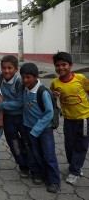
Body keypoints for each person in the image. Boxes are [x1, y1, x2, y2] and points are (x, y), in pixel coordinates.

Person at [20, 62, 60, 193]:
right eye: (23, 77)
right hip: (28, 128)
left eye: (28, 77)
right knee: (32, 153)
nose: (25, 80)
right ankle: (37, 173)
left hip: (44, 129)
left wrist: (36, 130)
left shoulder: (42, 92)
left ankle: (54, 180)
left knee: (48, 154)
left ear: (36, 77)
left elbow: (49, 113)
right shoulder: (24, 88)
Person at [50, 52, 89, 185]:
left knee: (81, 144)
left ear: (71, 65)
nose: (61, 68)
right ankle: (75, 165)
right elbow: (51, 99)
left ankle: (75, 171)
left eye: (64, 65)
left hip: (84, 118)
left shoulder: (80, 78)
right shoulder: (55, 83)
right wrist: (54, 97)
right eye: (57, 65)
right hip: (68, 119)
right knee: (69, 145)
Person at [0, 55, 29, 178]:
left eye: (10, 68)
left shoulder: (19, 82)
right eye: (4, 68)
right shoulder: (0, 77)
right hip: (8, 119)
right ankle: (23, 165)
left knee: (27, 142)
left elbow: (20, 102)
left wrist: (2, 105)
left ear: (16, 69)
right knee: (14, 143)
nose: (6, 71)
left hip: (22, 118)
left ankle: (33, 164)